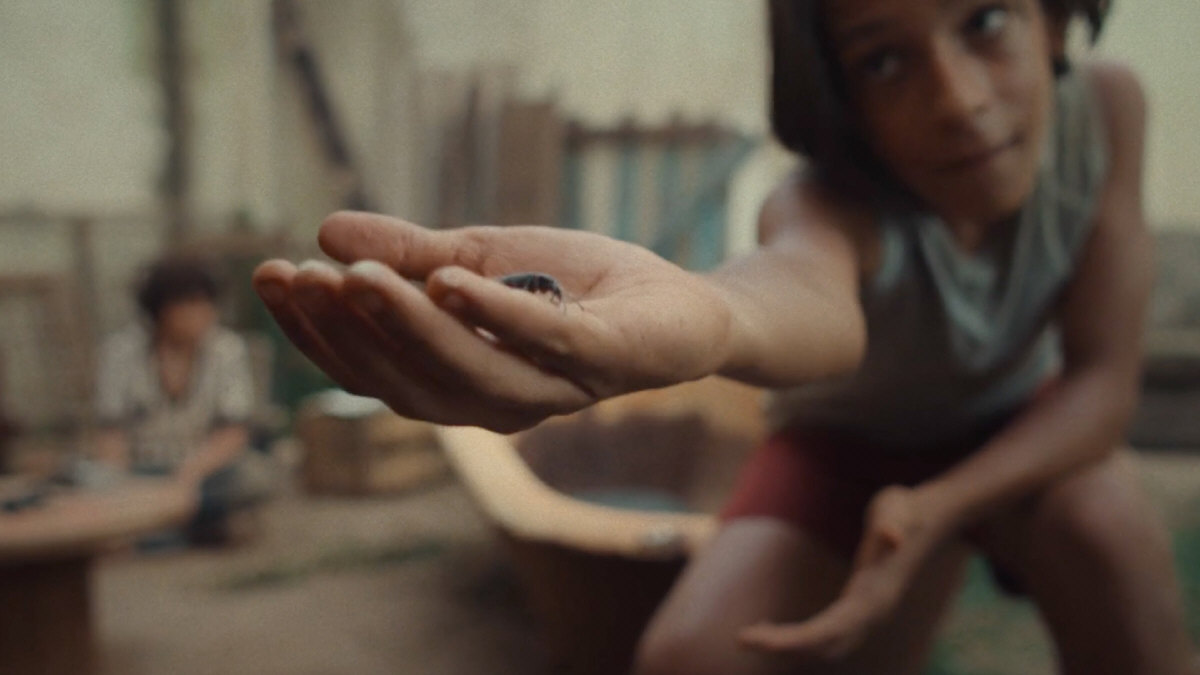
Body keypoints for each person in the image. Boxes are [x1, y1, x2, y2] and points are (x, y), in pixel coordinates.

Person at [252, 0, 1198, 672]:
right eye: (883, 60)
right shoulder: (824, 201)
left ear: (1054, 18)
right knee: (690, 657)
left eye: (984, 19)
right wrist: (711, 317)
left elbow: (1103, 387)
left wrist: (936, 509)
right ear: (839, 94)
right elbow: (796, 297)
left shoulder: (1108, 109)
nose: (957, 98)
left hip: (1022, 424)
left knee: (1107, 534)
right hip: (847, 444)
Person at [94, 255, 269, 545]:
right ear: (160, 310)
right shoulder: (121, 352)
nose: (201, 313)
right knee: (86, 482)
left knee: (254, 477)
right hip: (140, 473)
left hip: (202, 473)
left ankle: (158, 532)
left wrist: (186, 477)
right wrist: (123, 484)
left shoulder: (227, 350)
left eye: (206, 303)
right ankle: (182, 529)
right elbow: (111, 434)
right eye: (188, 304)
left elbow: (233, 433)